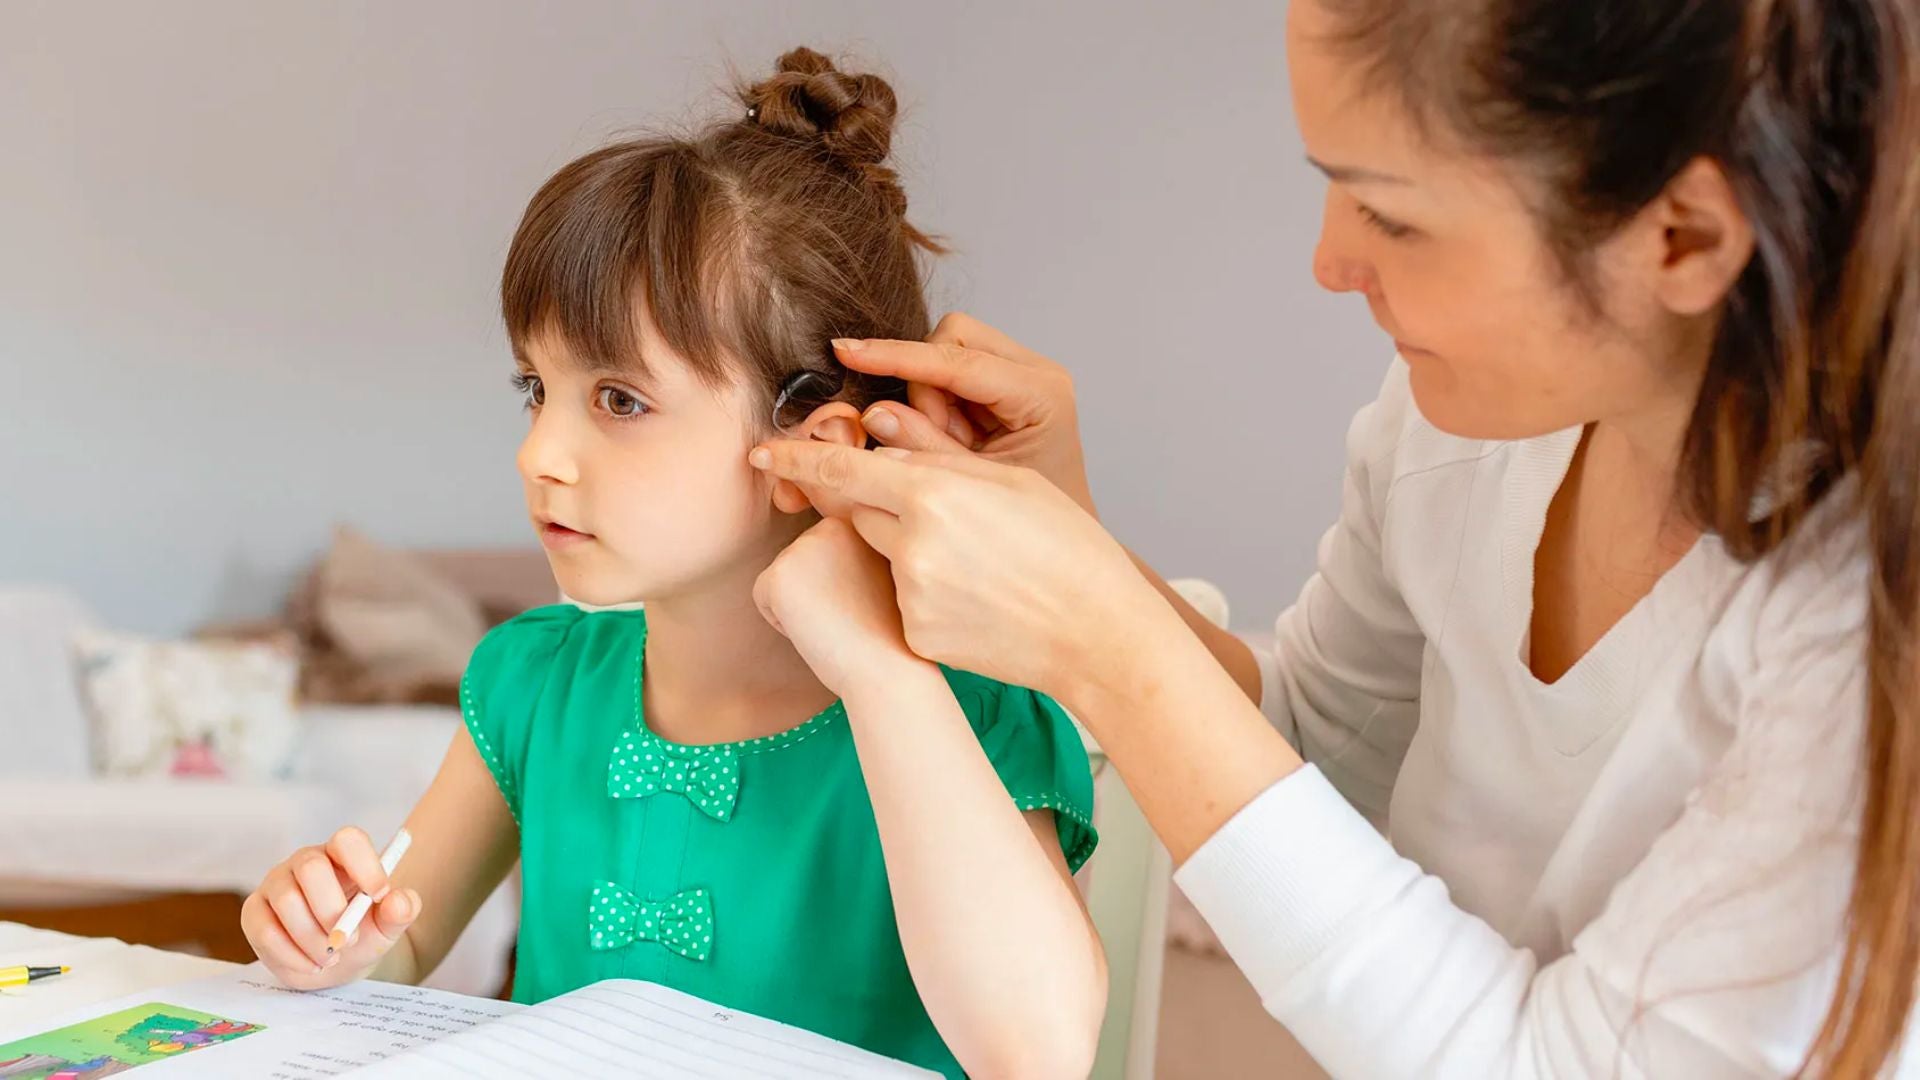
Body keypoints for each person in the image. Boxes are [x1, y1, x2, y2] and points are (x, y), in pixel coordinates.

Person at [748, 1, 1920, 1075]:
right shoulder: (1479, 421)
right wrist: (1074, 544)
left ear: (1680, 239)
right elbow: (1312, 761)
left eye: (1392, 214)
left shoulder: (1862, 641)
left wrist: (1105, 648)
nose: (1329, 262)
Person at [238, 47, 1105, 1080]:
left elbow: (1040, 1055)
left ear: (811, 450)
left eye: (620, 400)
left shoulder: (970, 711)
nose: (538, 456)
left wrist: (879, 672)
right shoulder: (535, 681)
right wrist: (327, 941)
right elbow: (406, 943)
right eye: (535, 390)